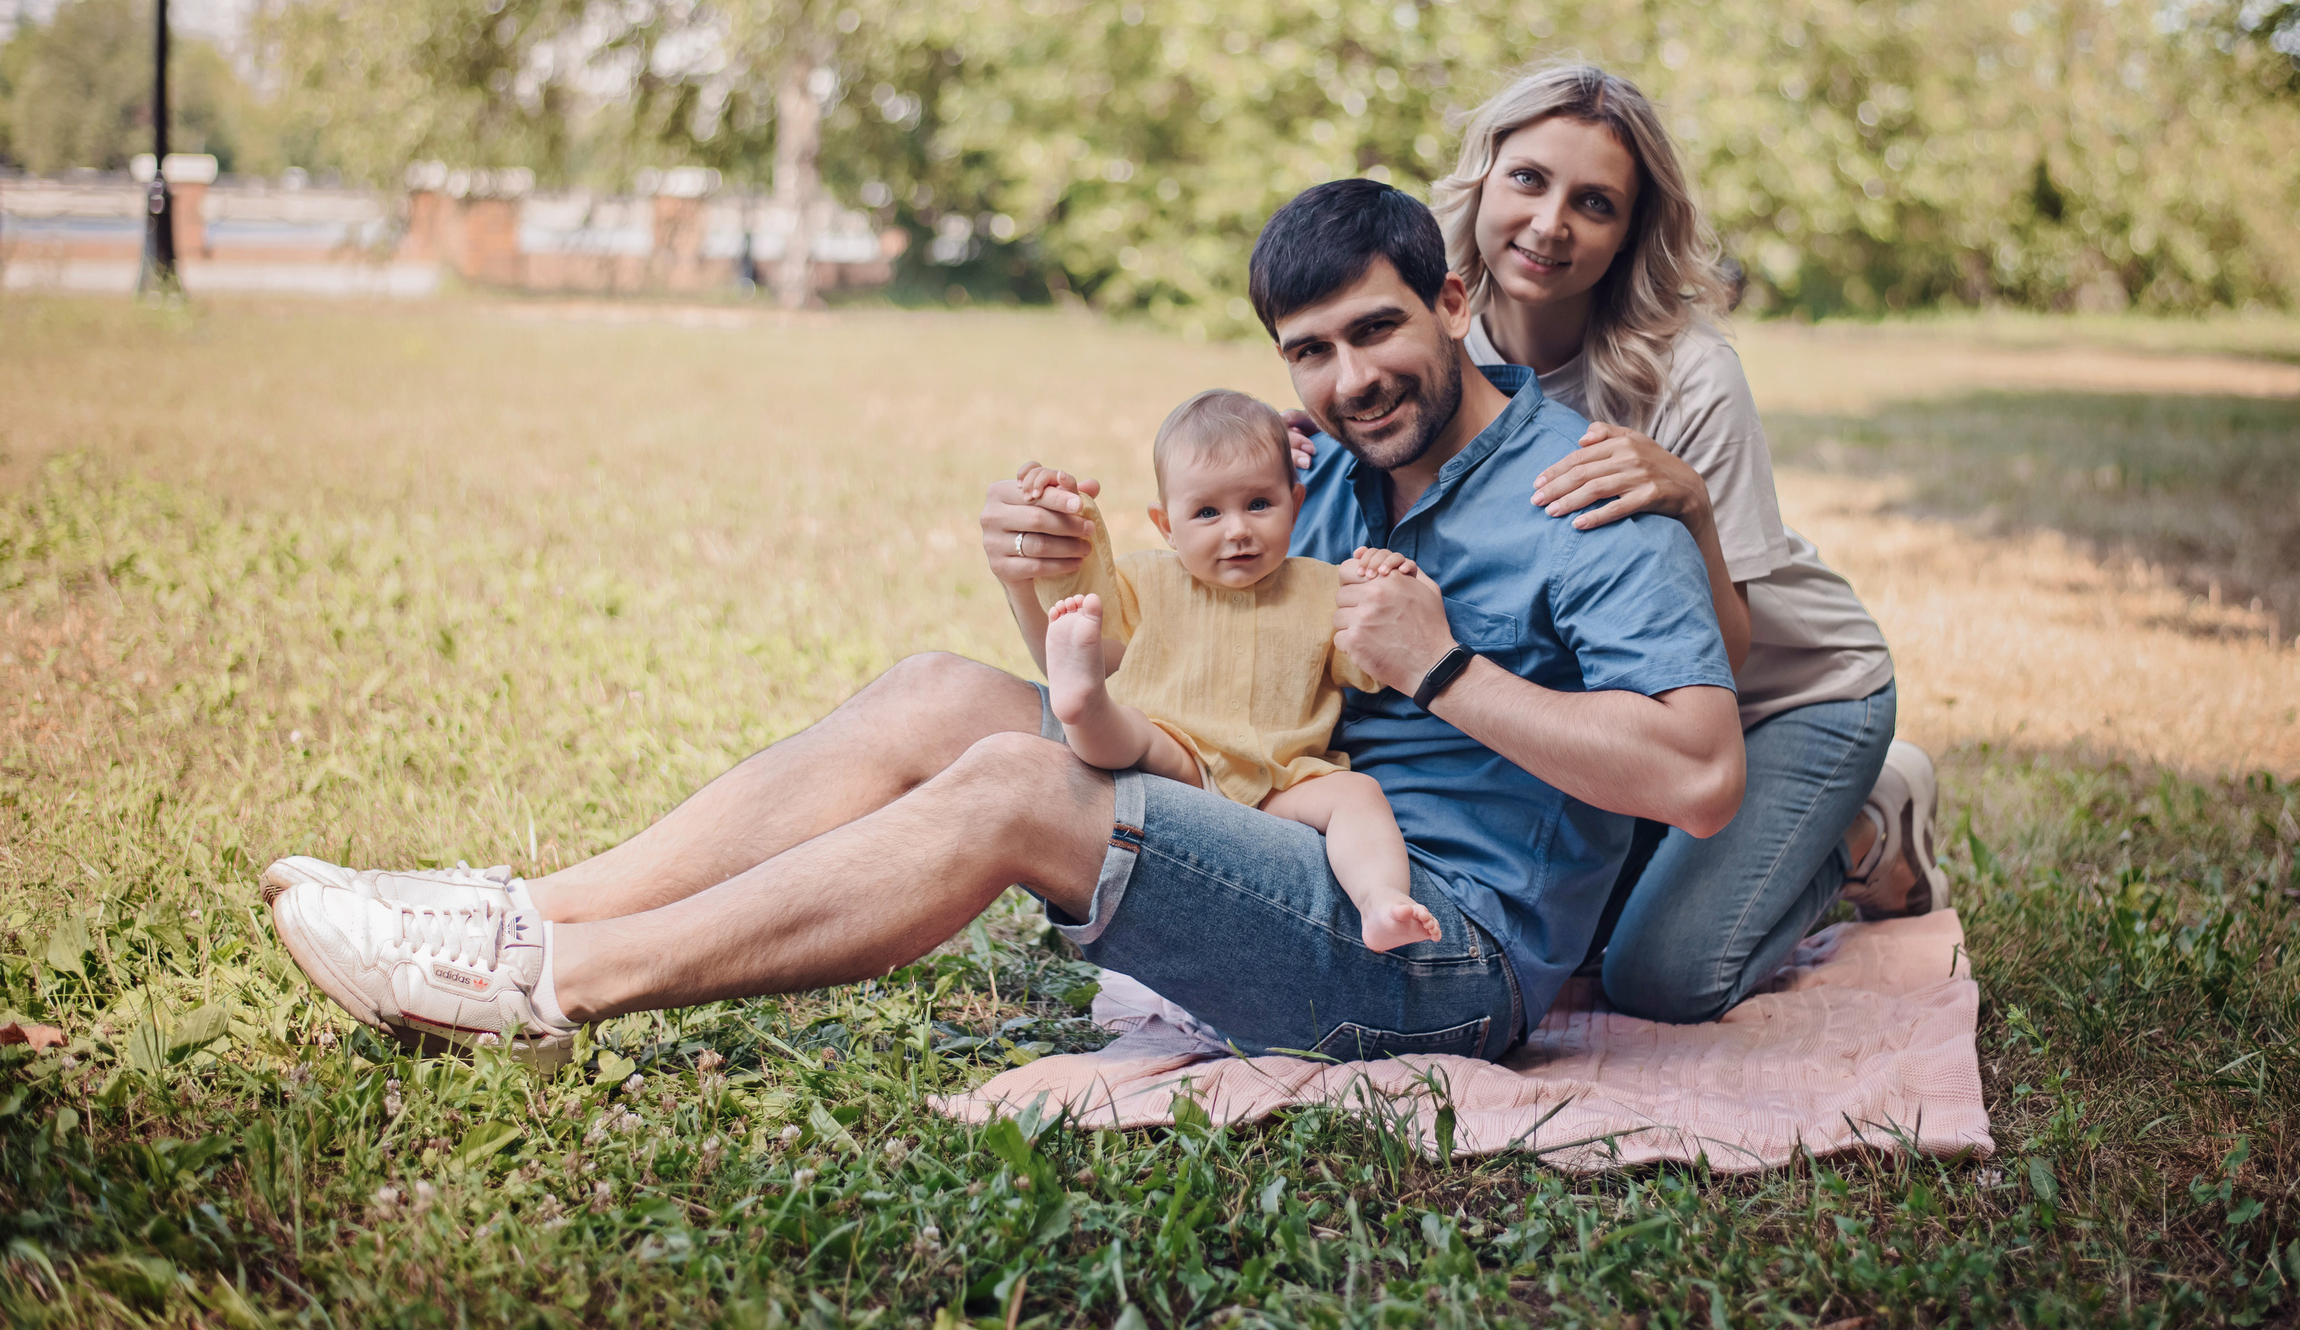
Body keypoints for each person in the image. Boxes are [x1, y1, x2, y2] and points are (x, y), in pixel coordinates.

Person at [262, 178, 1745, 1067]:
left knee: (1019, 788)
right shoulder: (1337, 474)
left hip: (1439, 955)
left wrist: (1451, 670)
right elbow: (1181, 657)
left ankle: (551, 988)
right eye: (1311, 353)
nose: (1350, 378)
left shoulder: (1581, 495)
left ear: (1454, 296)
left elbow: (1697, 775)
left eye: (1378, 331)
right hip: (1273, 826)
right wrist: (1032, 572)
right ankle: (532, 904)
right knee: (930, 696)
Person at [1432, 60, 1943, 1024]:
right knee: (1567, 942)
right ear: (1484, 177)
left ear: (1630, 231)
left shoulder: (1688, 377)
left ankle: (1864, 825)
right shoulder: (1439, 347)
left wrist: (1693, 505)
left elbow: (1734, 648)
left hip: (1787, 697)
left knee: (1660, 975)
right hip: (1632, 719)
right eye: (1530, 180)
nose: (1549, 225)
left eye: (1594, 203)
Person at [1027, 387, 1441, 953]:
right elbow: (1090, 601)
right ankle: (1083, 705)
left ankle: (1380, 900)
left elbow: (1371, 665)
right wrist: (1062, 517)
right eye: (1207, 513)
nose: (1238, 530)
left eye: (1259, 505)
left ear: (1295, 503)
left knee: (1358, 796)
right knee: (1129, 733)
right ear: (1166, 525)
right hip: (1179, 758)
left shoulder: (1323, 587)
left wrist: (1392, 587)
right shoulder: (1146, 578)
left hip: (1280, 782)